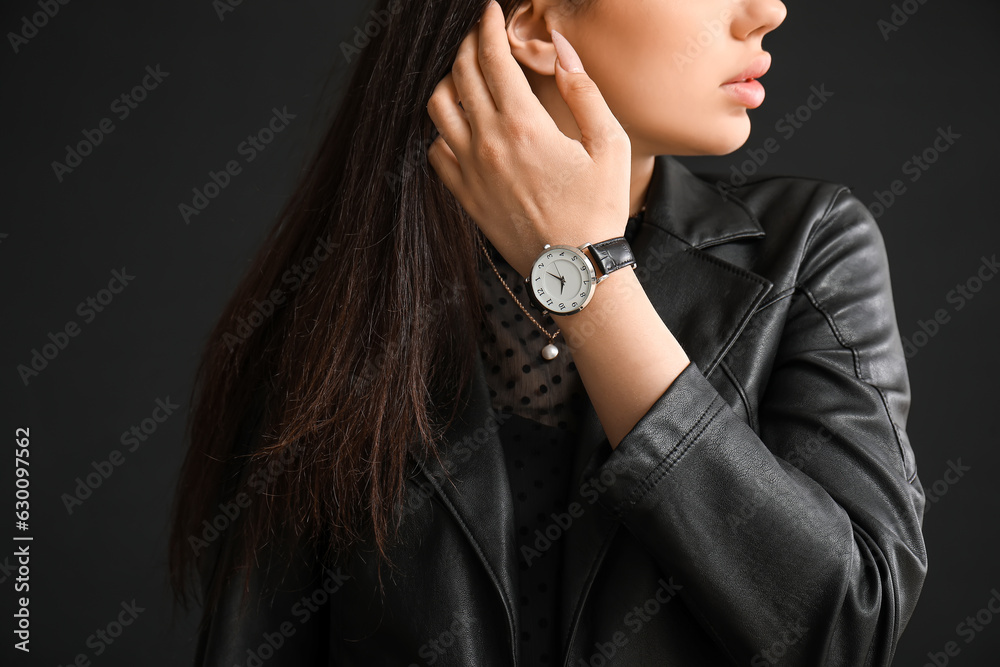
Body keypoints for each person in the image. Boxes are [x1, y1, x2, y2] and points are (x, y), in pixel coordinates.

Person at [168, 1, 928, 665]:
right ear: (533, 27)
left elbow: (844, 630)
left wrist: (589, 280)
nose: (767, 10)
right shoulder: (349, 302)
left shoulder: (810, 248)